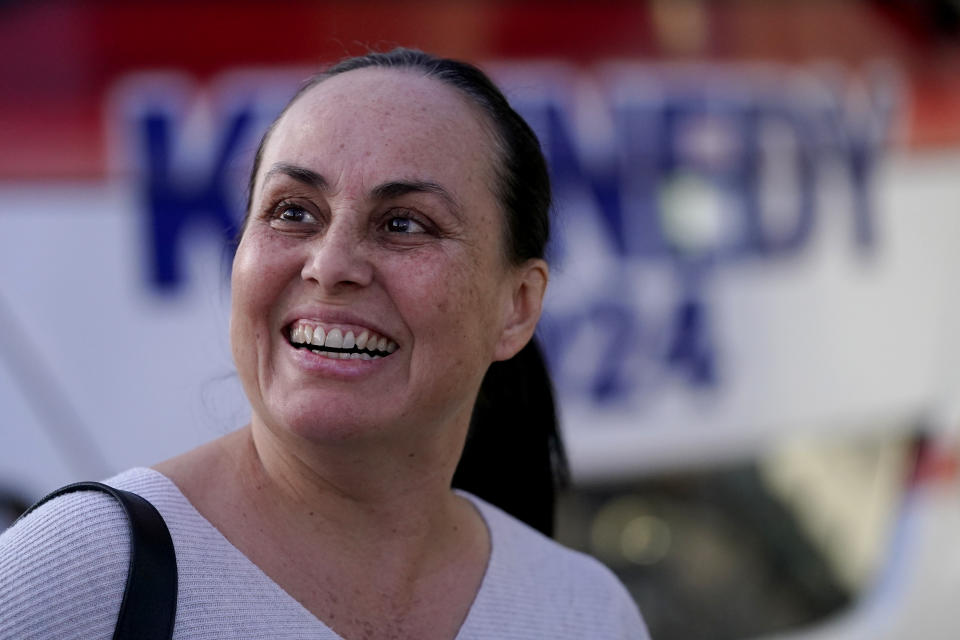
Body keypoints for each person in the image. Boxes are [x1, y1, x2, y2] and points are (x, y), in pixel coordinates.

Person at [0, 49, 649, 639]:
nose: (330, 263)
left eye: (403, 223)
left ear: (518, 307)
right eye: (293, 211)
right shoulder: (85, 575)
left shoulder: (586, 611)